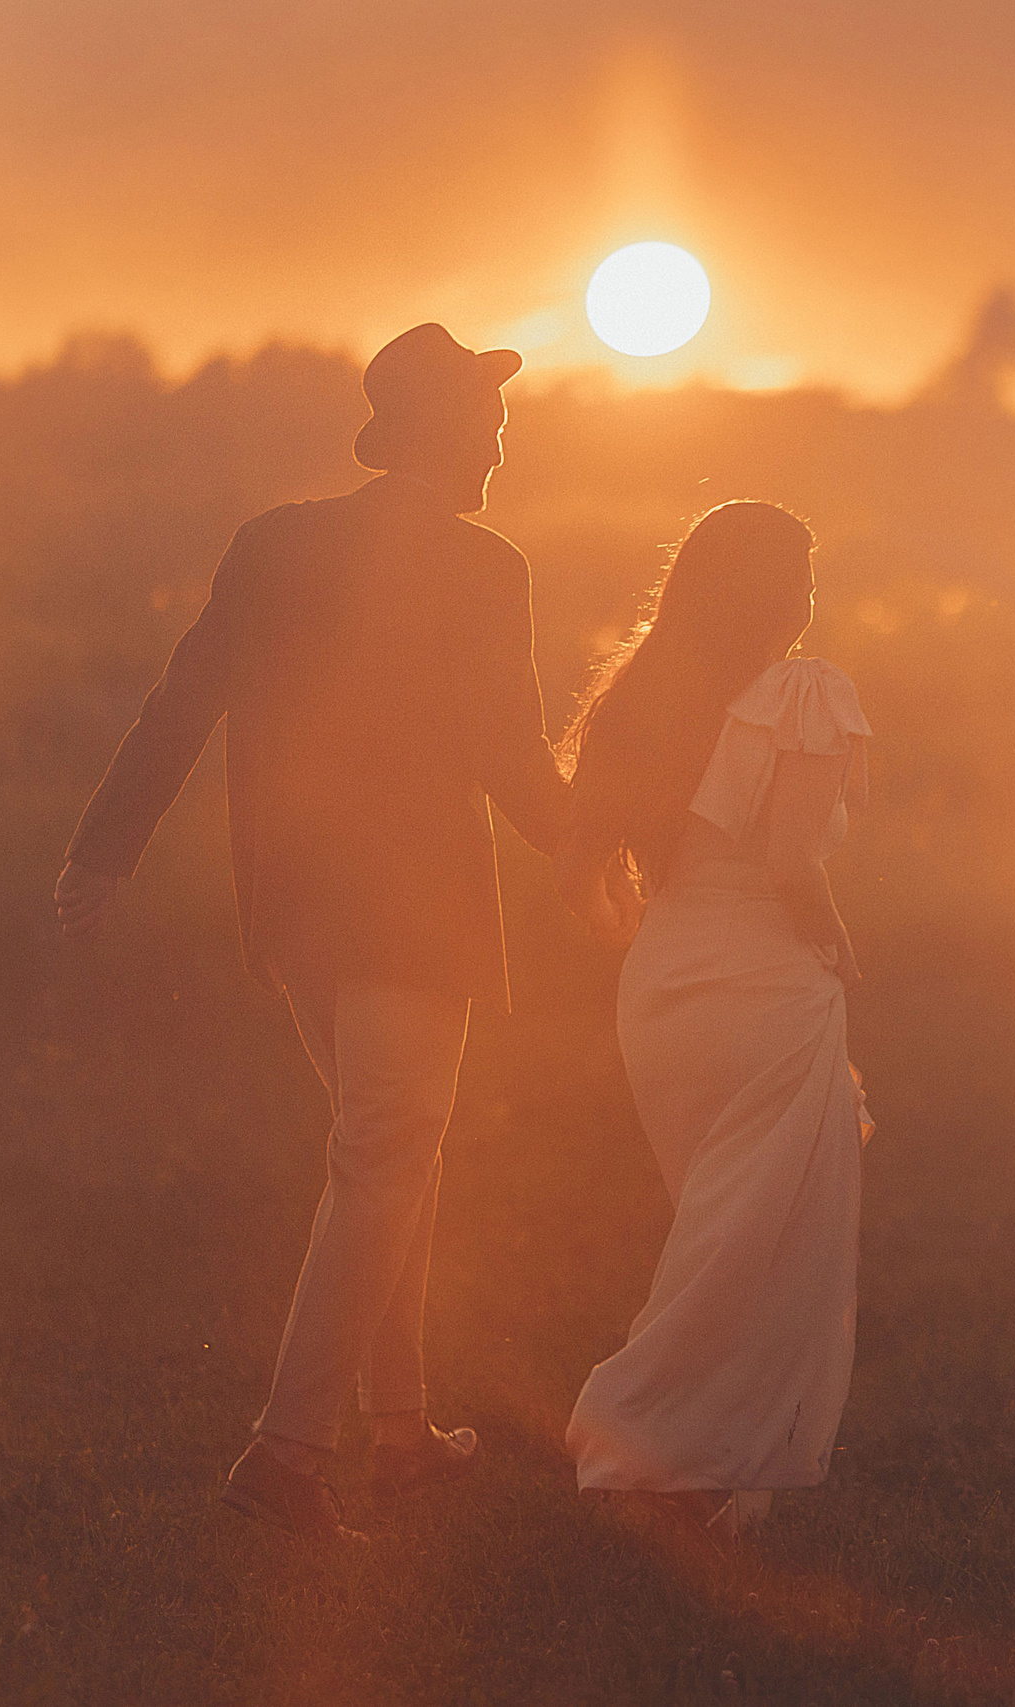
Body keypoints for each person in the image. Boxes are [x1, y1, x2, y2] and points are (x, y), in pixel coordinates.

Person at [53, 324, 619, 1543]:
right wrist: (593, 849)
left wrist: (105, 848)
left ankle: (404, 1434)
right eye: (492, 419)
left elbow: (184, 698)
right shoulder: (485, 567)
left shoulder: (275, 543)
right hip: (413, 915)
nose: (504, 439)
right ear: (456, 436)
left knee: (389, 1154)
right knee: (386, 1157)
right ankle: (290, 1453)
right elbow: (509, 753)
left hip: (295, 905)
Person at [556, 499, 873, 1538]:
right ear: (780, 594)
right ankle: (636, 1432)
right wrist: (838, 948)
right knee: (755, 1240)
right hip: (759, 985)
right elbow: (789, 863)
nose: (812, 597)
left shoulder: (650, 692)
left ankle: (702, 1464)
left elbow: (600, 877)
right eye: (805, 574)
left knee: (721, 1227)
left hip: (666, 984)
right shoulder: (804, 694)